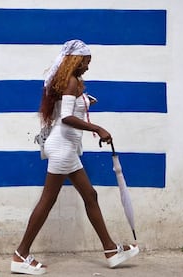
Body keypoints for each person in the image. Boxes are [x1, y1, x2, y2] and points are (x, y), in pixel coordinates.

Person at [10, 39, 139, 275]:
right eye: (86, 62)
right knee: (48, 201)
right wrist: (97, 128)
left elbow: (64, 109)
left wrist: (85, 101)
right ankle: (20, 255)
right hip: (62, 148)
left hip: (66, 147)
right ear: (76, 61)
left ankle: (110, 250)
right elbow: (66, 117)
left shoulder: (73, 82)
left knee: (90, 195)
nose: (88, 67)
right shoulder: (70, 82)